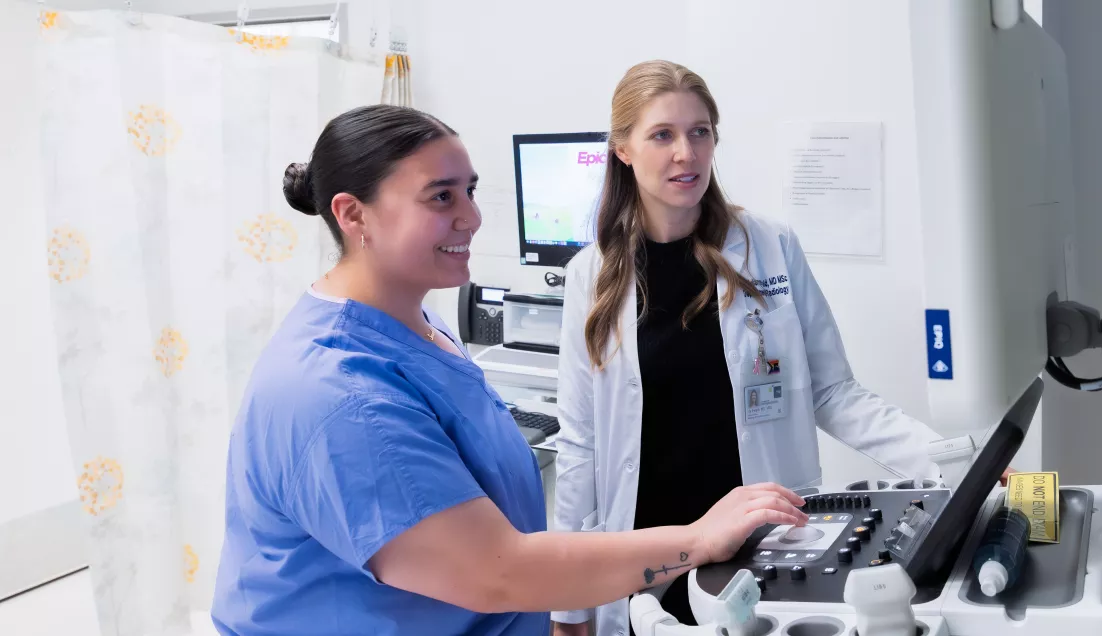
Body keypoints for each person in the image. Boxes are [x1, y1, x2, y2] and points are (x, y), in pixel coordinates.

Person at [209, 104, 810, 636]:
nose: (472, 217)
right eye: (441, 196)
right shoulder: (339, 394)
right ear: (353, 215)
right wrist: (699, 539)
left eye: (469, 190)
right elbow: (497, 572)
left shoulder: (420, 329)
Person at [551, 60, 944, 635]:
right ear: (623, 150)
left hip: (759, 549)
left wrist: (951, 459)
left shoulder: (770, 246)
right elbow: (580, 444)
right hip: (647, 557)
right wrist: (570, 606)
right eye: (662, 134)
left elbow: (833, 392)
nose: (686, 152)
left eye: (700, 132)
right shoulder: (592, 275)